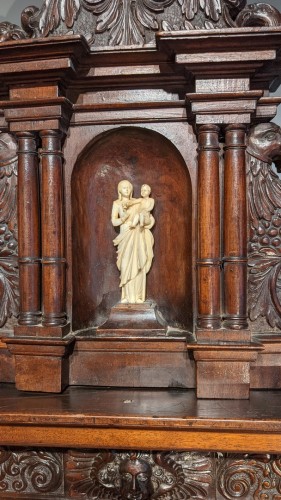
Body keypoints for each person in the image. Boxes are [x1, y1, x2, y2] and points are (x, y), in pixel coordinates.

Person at [111, 180, 154, 304]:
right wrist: (123, 218)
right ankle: (127, 296)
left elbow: (147, 217)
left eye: (129, 187)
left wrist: (143, 221)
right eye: (124, 188)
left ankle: (138, 296)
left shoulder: (136, 202)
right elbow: (114, 221)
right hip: (125, 236)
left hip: (137, 235)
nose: (127, 190)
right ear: (119, 190)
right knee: (125, 265)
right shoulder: (117, 203)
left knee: (138, 263)